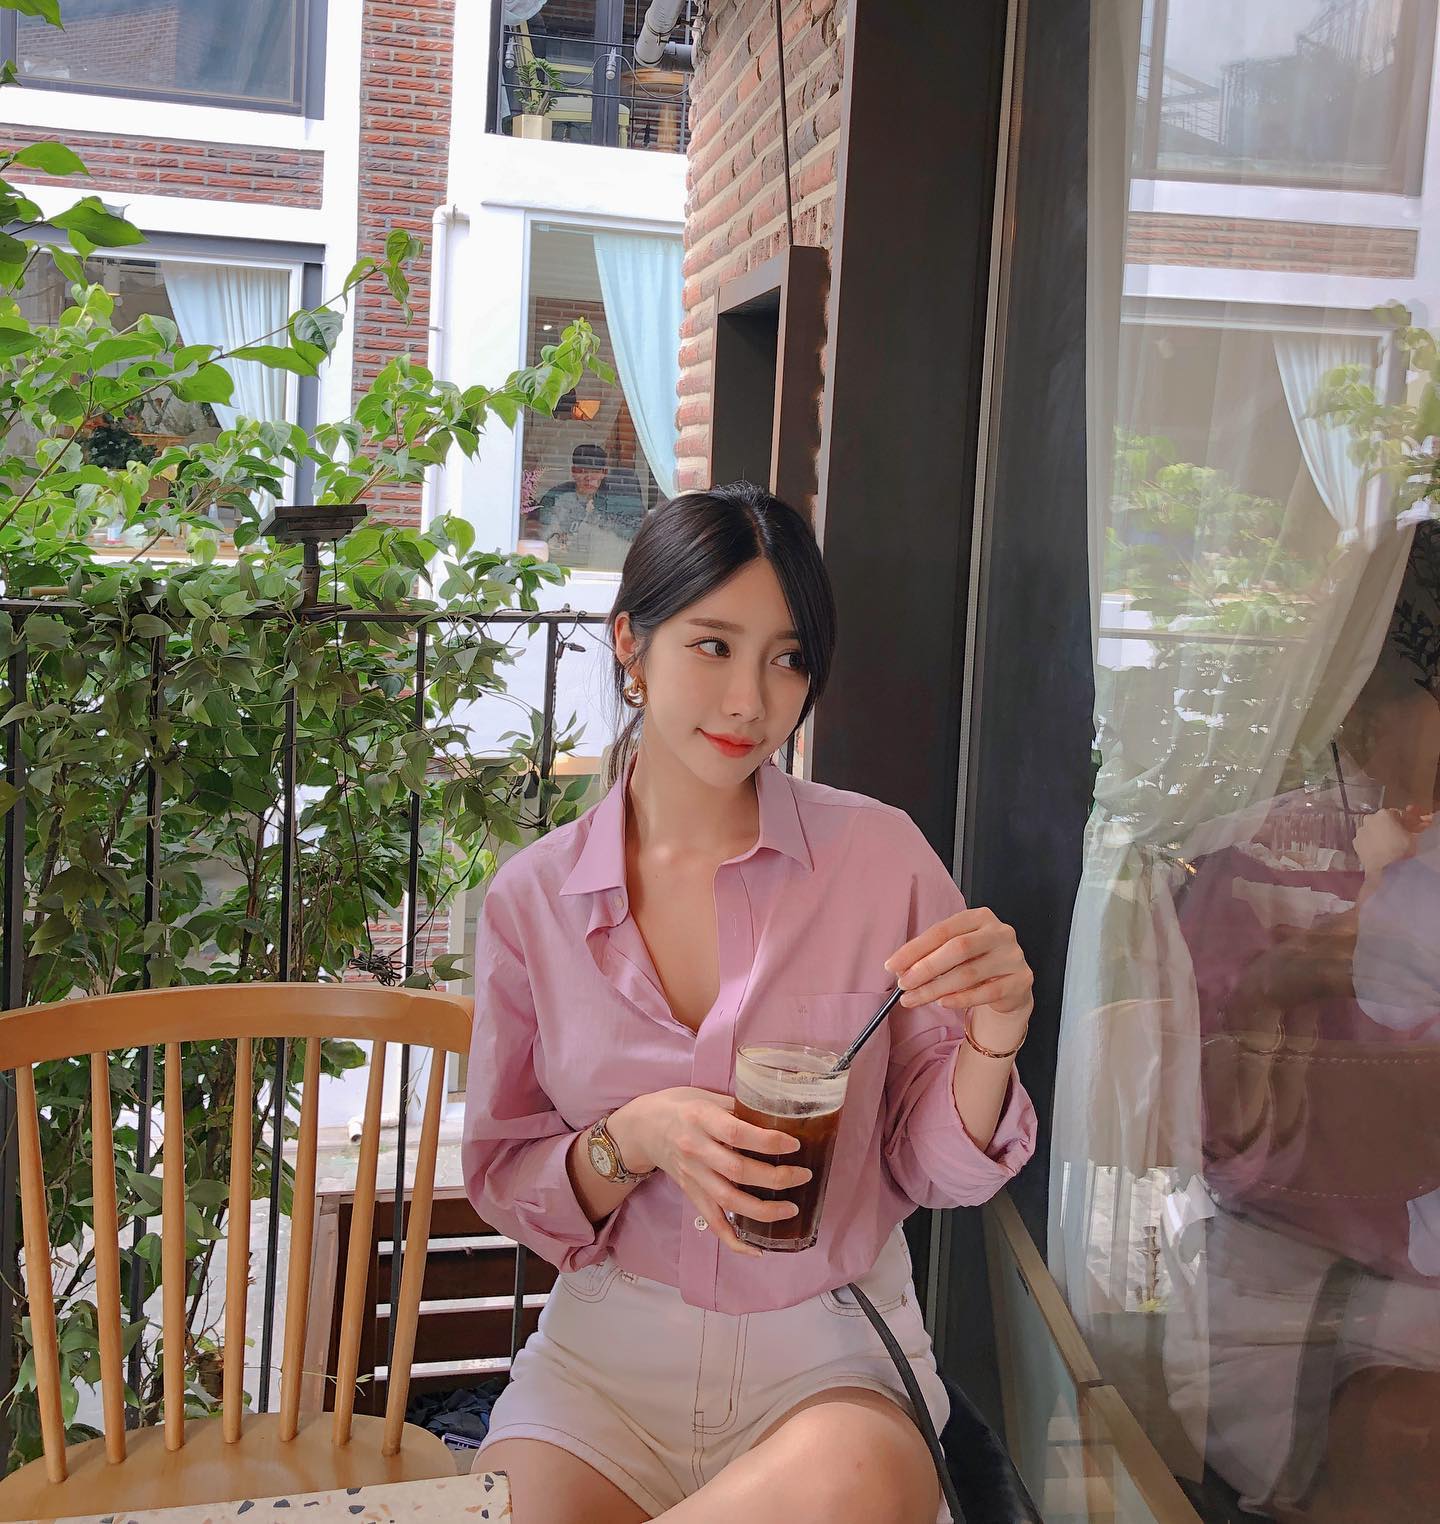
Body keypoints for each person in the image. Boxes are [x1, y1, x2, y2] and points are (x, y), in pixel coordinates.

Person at [462, 485, 1038, 1522]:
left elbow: (935, 1170)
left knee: (851, 1482)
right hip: (606, 1367)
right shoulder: (533, 900)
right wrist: (634, 1137)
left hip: (831, 1360)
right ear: (631, 644)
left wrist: (992, 1042)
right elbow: (511, 1178)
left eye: (788, 658)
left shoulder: (878, 858)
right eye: (713, 645)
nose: (749, 702)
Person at [532, 443, 645, 571]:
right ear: (573, 472)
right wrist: (554, 539)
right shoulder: (556, 498)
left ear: (604, 473)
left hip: (606, 569)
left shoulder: (618, 502)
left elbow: (635, 533)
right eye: (582, 471)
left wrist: (599, 519)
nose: (589, 477)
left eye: (595, 471)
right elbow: (545, 533)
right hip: (563, 568)